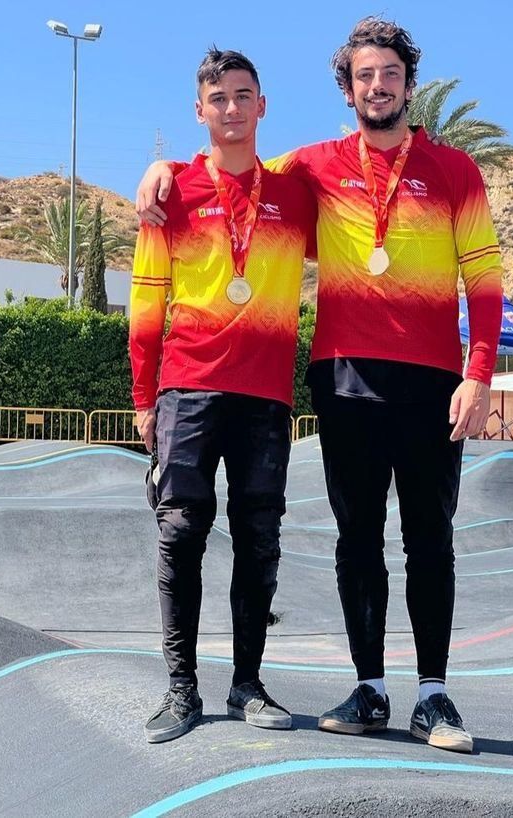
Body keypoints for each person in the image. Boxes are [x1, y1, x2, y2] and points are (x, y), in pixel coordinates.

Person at [136, 17, 503, 753]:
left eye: (390, 74)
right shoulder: (311, 169)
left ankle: (434, 695)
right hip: (343, 379)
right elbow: (238, 173)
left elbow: (485, 281)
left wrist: (480, 373)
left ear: (408, 81)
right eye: (364, 76)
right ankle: (370, 688)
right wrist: (164, 171)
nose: (378, 86)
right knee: (357, 539)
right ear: (347, 87)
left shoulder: (458, 170)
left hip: (433, 379)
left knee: (431, 539)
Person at [129, 47, 315, 743]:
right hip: (188, 389)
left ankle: (247, 685)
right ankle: (181, 690)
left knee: (260, 540)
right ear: (199, 111)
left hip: (266, 397)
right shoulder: (171, 192)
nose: (232, 109)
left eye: (244, 96)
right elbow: (146, 304)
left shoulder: (296, 196)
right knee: (179, 535)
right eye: (219, 98)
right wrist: (145, 399)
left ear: (262, 106)